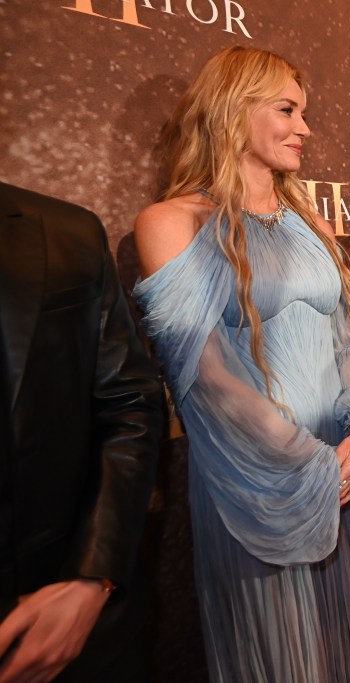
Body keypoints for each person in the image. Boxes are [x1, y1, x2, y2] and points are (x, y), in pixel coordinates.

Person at [132, 46, 350, 682]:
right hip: (257, 484)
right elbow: (208, 380)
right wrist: (309, 464)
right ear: (232, 111)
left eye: (304, 113)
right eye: (287, 110)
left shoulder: (310, 225)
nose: (306, 129)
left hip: (346, 471)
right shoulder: (172, 222)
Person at [0, 181, 163, 681]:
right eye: (287, 110)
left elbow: (130, 403)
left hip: (64, 606)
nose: (304, 129)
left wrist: (93, 575)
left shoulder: (65, 230)